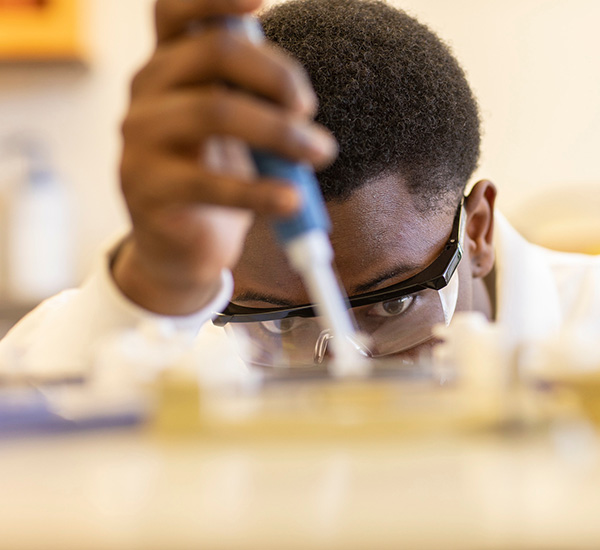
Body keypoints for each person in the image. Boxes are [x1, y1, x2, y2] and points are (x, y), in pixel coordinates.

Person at [1, 0, 599, 374]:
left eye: (391, 303)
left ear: (477, 229)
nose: (339, 365)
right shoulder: (167, 330)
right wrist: (159, 287)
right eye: (280, 323)